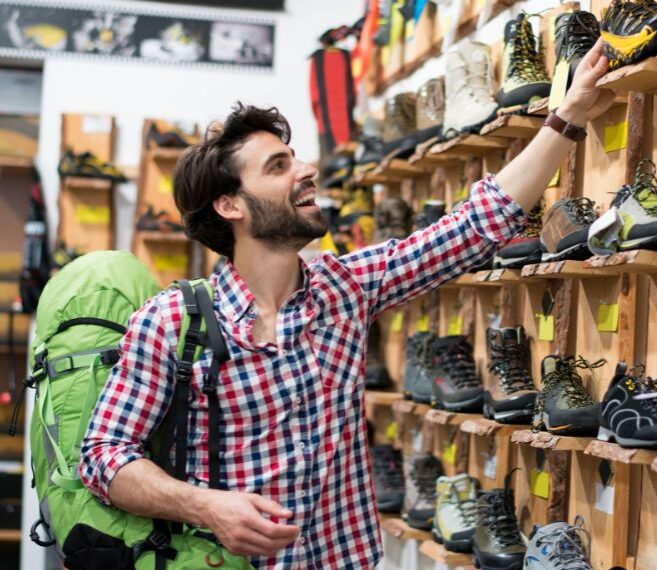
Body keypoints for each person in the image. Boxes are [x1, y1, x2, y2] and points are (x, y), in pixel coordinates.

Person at [79, 40, 615, 569]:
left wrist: (567, 117)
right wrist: (206, 505)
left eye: (296, 157)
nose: (307, 170)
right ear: (230, 205)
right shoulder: (173, 322)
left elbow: (473, 226)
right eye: (279, 166)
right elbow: (103, 456)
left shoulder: (343, 287)